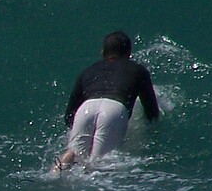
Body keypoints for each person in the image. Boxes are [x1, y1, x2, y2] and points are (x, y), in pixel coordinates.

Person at [54, 30, 159, 171]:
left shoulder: (88, 71)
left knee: (73, 154)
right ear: (128, 54)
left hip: (86, 108)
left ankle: (53, 174)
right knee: (98, 165)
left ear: (103, 52)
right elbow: (151, 112)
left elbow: (69, 117)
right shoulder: (138, 70)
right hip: (114, 109)